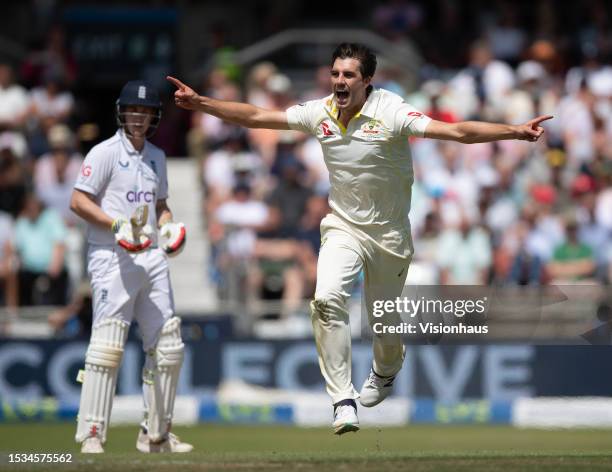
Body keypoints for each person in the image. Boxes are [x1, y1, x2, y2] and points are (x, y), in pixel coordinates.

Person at [168, 42, 551, 435]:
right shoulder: (320, 112)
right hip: (343, 227)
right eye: (335, 73)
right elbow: (256, 115)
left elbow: (454, 131)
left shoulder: (391, 111)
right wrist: (202, 104)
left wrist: (515, 131)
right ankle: (342, 399)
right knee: (326, 299)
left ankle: (386, 370)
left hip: (390, 234)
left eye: (349, 75)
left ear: (367, 81)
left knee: (382, 322)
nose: (339, 81)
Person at [70, 80, 191, 453]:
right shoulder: (104, 153)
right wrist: (117, 225)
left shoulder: (157, 156)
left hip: (151, 256)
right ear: (122, 112)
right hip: (112, 256)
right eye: (133, 110)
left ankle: (155, 434)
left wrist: (168, 225)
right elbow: (78, 201)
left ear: (155, 116)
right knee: (108, 345)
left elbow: (161, 205)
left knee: (168, 345)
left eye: (146, 111)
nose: (139, 117)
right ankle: (91, 433)